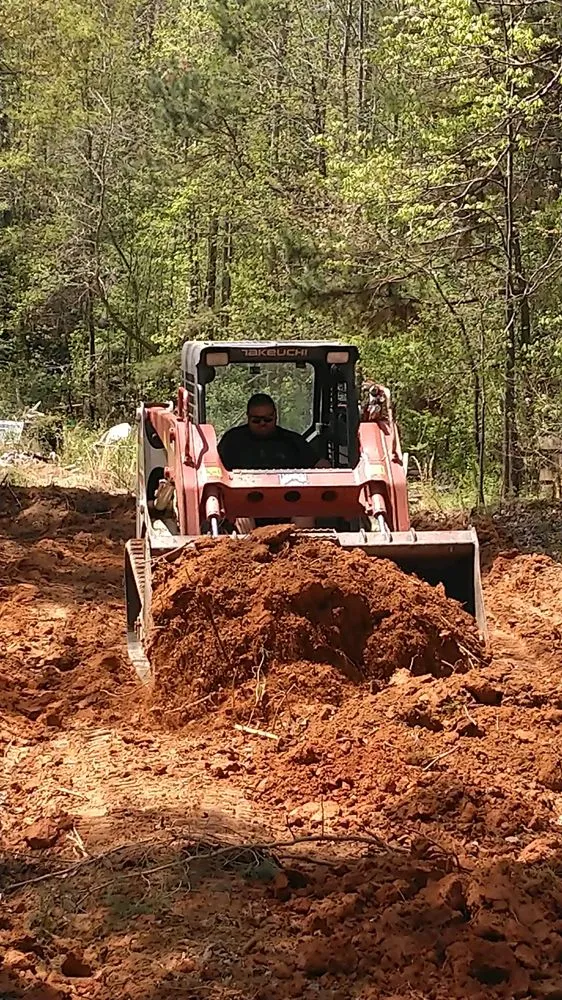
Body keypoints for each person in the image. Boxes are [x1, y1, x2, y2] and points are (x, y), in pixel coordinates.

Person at [218, 393, 318, 471]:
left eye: (267, 419)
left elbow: (319, 466)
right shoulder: (232, 440)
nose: (262, 424)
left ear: (275, 416)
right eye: (256, 420)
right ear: (248, 417)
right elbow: (214, 467)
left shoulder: (293, 441)